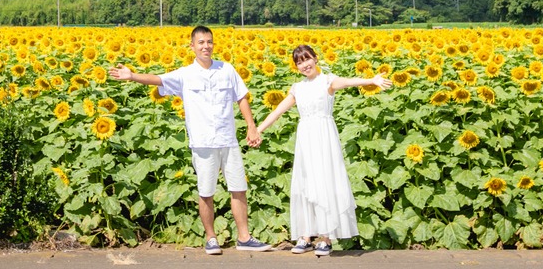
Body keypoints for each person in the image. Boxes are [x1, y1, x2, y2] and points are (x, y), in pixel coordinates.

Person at [109, 25, 272, 255]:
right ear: (192, 46)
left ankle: (244, 237)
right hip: (203, 142)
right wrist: (132, 75)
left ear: (213, 44)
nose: (206, 46)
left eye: (209, 42)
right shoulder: (185, 74)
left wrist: (252, 127)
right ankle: (211, 238)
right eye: (201, 42)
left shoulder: (227, 69)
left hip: (228, 140)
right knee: (206, 192)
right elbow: (158, 80)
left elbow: (242, 97)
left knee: (239, 188)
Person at [256, 44, 392, 257]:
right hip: (306, 138)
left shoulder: (327, 81)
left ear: (315, 58)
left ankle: (326, 237)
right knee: (305, 182)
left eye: (307, 59)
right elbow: (278, 111)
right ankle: (305, 235)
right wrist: (257, 130)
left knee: (325, 181)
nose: (304, 65)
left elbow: (348, 82)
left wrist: (371, 80)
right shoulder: (297, 88)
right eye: (299, 62)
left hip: (324, 138)